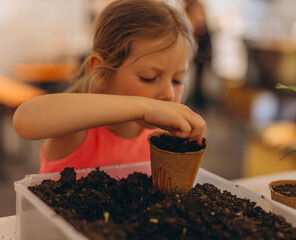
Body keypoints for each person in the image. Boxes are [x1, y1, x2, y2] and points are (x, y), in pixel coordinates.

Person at [12, 0, 206, 174]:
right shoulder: (78, 130)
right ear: (102, 73)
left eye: (178, 80)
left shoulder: (156, 137)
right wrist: (146, 107)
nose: (169, 94)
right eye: (149, 77)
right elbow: (25, 120)